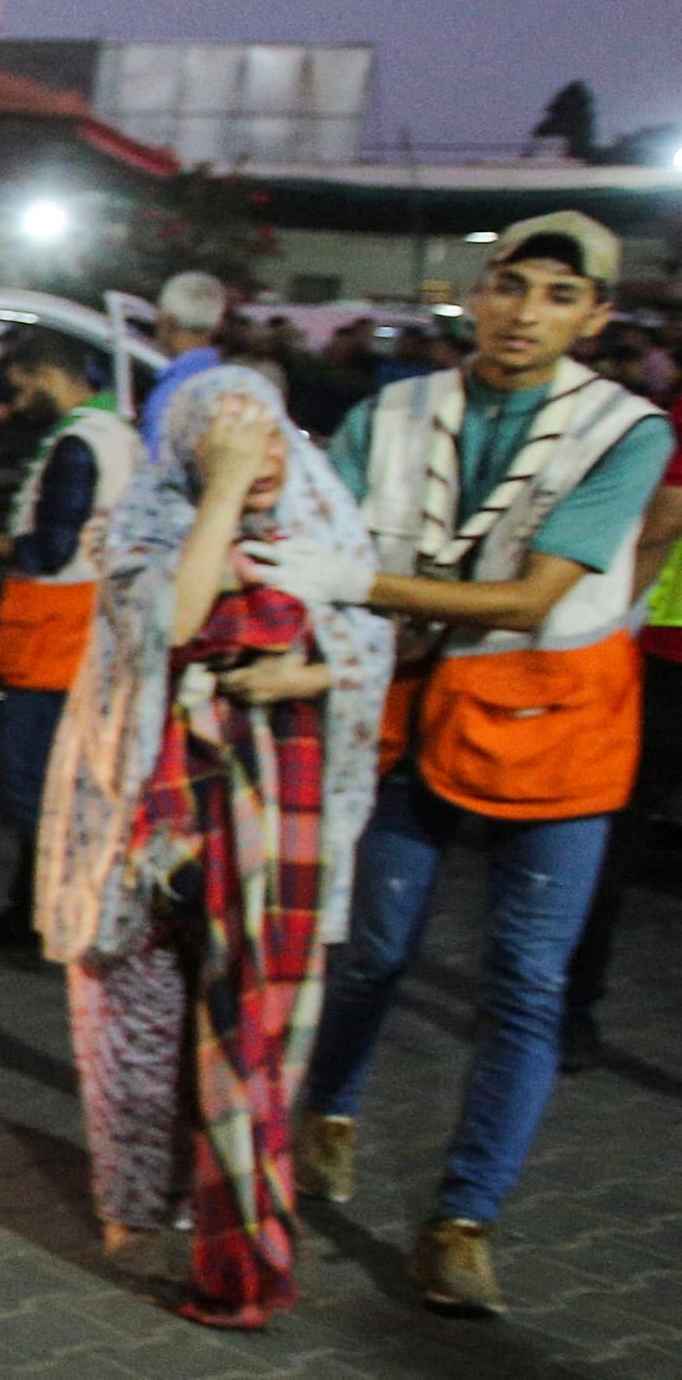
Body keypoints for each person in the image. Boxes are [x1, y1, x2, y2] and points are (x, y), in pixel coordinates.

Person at [254, 212, 674, 1316]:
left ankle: (461, 1218)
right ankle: (327, 1110)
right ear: (475, 292)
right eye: (507, 284)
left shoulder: (623, 430)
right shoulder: (394, 409)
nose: (521, 312)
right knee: (374, 949)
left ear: (593, 314)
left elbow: (533, 597)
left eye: (553, 295)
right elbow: (313, 525)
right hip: (409, 709)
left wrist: (354, 588)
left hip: (557, 722)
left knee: (524, 984)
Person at [39, 367, 391, 1327]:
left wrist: (305, 675)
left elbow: (373, 649)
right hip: (149, 824)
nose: (259, 460)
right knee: (136, 1028)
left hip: (280, 827)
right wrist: (225, 493)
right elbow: (173, 620)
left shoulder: (326, 527)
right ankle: (136, 1202)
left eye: (269, 438)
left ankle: (229, 1224)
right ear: (188, 453)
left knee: (251, 1036)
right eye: (226, 443)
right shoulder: (141, 530)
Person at [0, 331, 141, 955]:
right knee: (64, 785)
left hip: (54, 636)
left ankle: (50, 919)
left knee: (35, 787)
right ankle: (35, 913)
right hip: (92, 626)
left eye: (19, 388)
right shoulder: (119, 434)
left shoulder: (78, 443)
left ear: (45, 373)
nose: (15, 403)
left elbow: (48, 548)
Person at [562, 442, 682, 1069]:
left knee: (609, 837)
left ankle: (567, 1006)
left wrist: (598, 633)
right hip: (666, 661)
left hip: (664, 662)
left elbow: (663, 521)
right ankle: (565, 1005)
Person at [139, 271, 227, 456]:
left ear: (166, 320)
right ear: (217, 323)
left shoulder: (170, 396)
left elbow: (155, 473)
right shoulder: (232, 384)